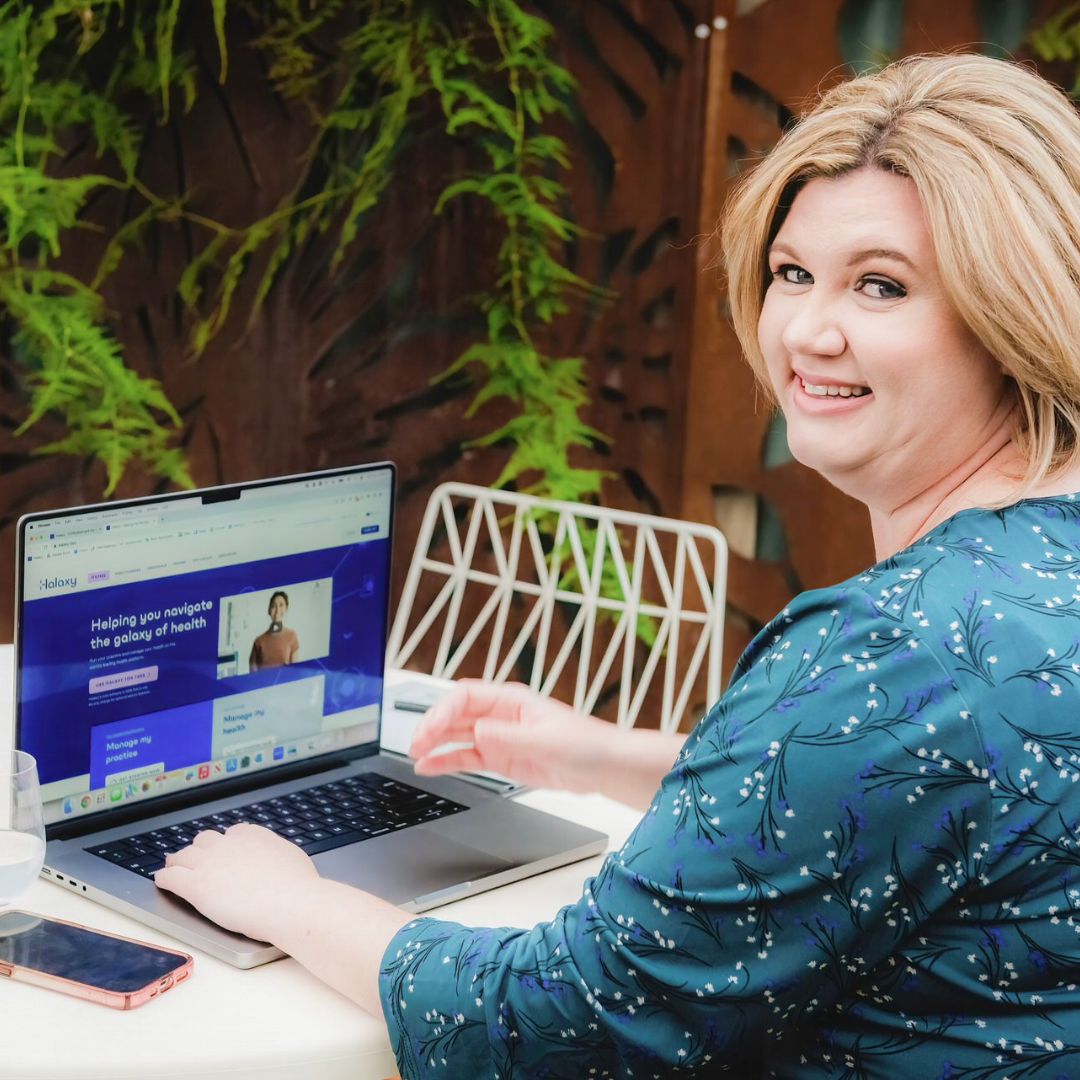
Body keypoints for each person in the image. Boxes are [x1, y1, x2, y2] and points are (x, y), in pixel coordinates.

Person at [155, 52, 1080, 1077]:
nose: (808, 331)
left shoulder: (896, 646)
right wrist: (602, 757)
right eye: (790, 273)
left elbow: (561, 1029)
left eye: (881, 285)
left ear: (1015, 311)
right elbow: (937, 788)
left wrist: (289, 898)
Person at [248, 590, 299, 671]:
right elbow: (253, 674)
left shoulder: (291, 635)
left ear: (286, 608)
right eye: (273, 606)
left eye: (281, 605)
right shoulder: (258, 641)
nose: (277, 610)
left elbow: (295, 670)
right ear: (269, 610)